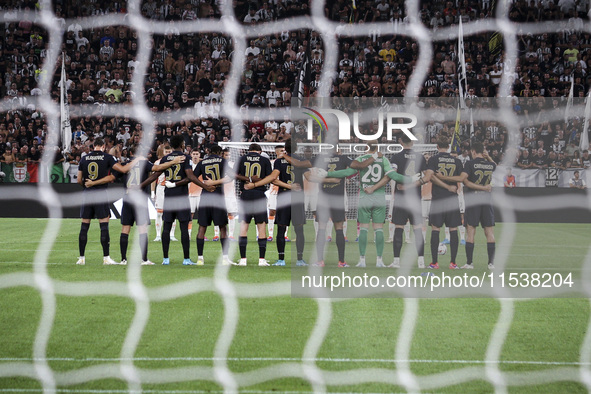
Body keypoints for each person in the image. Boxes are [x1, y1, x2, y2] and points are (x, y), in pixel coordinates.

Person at [84, 145, 185, 265]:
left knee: (125, 229)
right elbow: (158, 168)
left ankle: (123, 259)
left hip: (127, 197)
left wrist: (94, 182)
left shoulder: (125, 165)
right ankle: (144, 259)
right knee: (142, 229)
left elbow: (111, 178)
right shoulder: (144, 162)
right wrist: (173, 162)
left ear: (130, 152)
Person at [327, 141, 413, 268]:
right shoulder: (383, 159)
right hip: (379, 197)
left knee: (363, 228)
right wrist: (413, 179)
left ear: (366, 148)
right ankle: (379, 261)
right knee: (379, 229)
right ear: (377, 147)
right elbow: (392, 175)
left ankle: (362, 260)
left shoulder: (360, 159)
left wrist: (328, 174)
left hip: (364, 196)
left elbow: (346, 173)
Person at [144, 135, 213, 265]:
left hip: (168, 196)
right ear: (182, 144)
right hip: (181, 197)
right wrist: (205, 186)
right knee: (183, 228)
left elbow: (155, 175)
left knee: (166, 227)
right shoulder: (185, 157)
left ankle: (165, 259)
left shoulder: (165, 158)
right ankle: (186, 259)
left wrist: (141, 186)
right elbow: (190, 176)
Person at [75, 138, 139, 266]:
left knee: (84, 227)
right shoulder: (107, 157)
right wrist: (137, 160)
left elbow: (79, 180)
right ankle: (106, 258)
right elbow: (123, 170)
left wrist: (88, 185)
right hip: (100, 195)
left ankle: (81, 258)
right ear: (103, 146)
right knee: (103, 226)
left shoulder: (84, 158)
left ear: (93, 146)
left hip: (87, 195)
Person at [307, 147, 374, 267]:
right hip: (337, 199)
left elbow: (305, 164)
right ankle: (341, 261)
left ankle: (320, 261)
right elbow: (360, 165)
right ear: (338, 150)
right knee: (339, 229)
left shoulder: (320, 158)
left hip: (323, 198)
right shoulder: (343, 158)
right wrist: (374, 156)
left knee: (321, 228)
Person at [248, 140, 307, 266]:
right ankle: (300, 259)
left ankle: (281, 260)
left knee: (281, 228)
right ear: (297, 148)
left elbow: (273, 178)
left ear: (285, 148)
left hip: (284, 196)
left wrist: (256, 183)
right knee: (299, 229)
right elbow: (309, 176)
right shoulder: (301, 160)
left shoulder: (279, 161)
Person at [439, 141, 496, 269]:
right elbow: (495, 165)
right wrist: (488, 157)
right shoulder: (490, 165)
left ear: (473, 152)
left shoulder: (470, 164)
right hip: (487, 199)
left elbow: (463, 180)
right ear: (483, 152)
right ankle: (491, 263)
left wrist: (443, 177)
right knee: (489, 232)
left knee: (471, 231)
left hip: (474, 199)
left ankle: (469, 263)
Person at [423, 136, 463, 269]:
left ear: (437, 147)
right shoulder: (457, 161)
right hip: (452, 199)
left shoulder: (434, 160)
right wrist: (450, 185)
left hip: (438, 199)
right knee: (453, 229)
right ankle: (453, 263)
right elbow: (461, 178)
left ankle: (434, 263)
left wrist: (444, 184)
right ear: (449, 147)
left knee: (435, 229)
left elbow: (430, 177)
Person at [389, 135, 429, 269]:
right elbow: (428, 176)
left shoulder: (396, 157)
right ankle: (421, 262)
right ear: (412, 142)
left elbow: (393, 174)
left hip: (401, 198)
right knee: (417, 229)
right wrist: (415, 183)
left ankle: (396, 261)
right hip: (415, 199)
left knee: (399, 228)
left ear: (400, 141)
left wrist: (405, 185)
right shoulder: (420, 157)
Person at [235, 143, 275, 266]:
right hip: (259, 194)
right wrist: (255, 180)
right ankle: (261, 260)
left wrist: (248, 179)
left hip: (245, 193)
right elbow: (270, 178)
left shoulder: (241, 159)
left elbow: (234, 175)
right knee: (261, 226)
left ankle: (243, 260)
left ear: (249, 150)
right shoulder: (264, 159)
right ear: (260, 151)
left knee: (243, 225)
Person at [193, 145, 233, 265]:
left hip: (205, 196)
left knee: (202, 227)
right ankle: (225, 258)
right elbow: (231, 176)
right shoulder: (222, 161)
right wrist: (216, 182)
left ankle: (200, 258)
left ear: (208, 151)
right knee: (222, 227)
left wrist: (205, 186)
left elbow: (193, 177)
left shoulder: (203, 162)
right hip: (218, 197)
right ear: (220, 152)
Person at [151, 144, 177, 242]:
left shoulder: (176, 162)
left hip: (172, 188)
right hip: (161, 188)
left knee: (172, 213)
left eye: (169, 152)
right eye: (166, 152)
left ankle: (172, 234)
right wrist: (152, 192)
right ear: (163, 152)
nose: (168, 154)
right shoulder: (158, 162)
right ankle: (158, 235)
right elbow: (153, 178)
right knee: (159, 213)